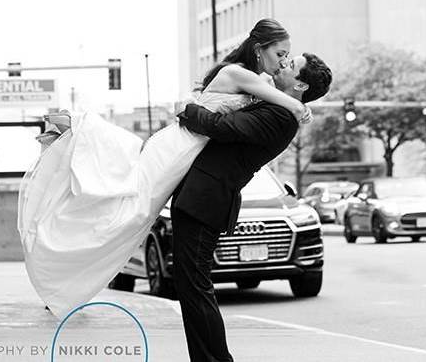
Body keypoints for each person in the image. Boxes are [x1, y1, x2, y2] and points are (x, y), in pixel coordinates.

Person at [17, 18, 329, 324]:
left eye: (289, 58)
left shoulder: (256, 80)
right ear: (259, 50)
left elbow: (264, 108)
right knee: (132, 200)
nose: (284, 62)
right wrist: (299, 107)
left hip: (187, 149)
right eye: (281, 55)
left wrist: (297, 102)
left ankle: (76, 140)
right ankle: (78, 134)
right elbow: (276, 100)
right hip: (180, 146)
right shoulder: (240, 73)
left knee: (133, 206)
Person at [171, 51, 332, 361]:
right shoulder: (276, 105)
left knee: (194, 286)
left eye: (291, 64)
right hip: (200, 197)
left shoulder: (280, 117)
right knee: (191, 286)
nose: (284, 63)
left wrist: (187, 110)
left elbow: (221, 127)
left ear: (299, 86)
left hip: (205, 200)